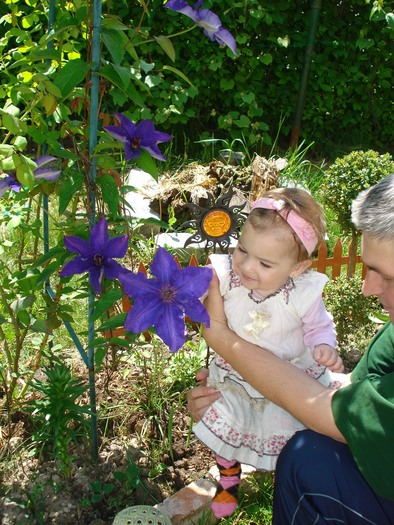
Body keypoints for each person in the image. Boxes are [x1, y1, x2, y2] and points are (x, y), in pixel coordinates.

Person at [188, 174, 394, 524]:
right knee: (229, 417)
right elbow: (363, 390)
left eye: (387, 277)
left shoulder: (300, 293)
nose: (366, 289)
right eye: (242, 251)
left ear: (298, 268)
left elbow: (336, 416)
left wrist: (223, 339)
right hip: (240, 376)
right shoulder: (226, 275)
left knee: (300, 456)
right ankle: (229, 479)